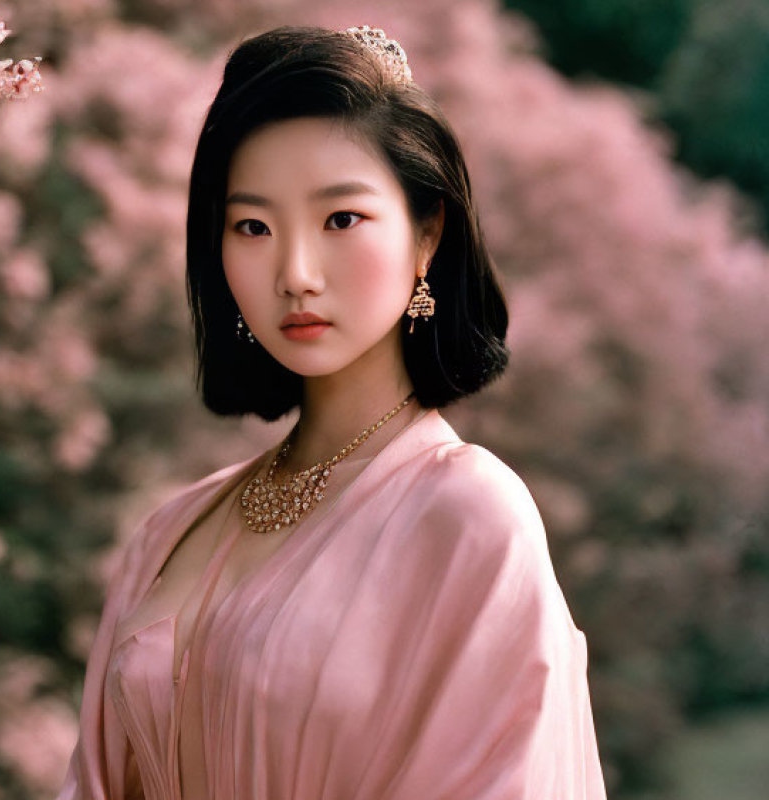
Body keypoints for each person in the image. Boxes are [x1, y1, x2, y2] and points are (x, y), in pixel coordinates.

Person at [58, 24, 607, 800]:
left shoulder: (471, 514)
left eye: (340, 219)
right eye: (253, 227)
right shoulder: (168, 533)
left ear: (427, 233)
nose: (296, 274)